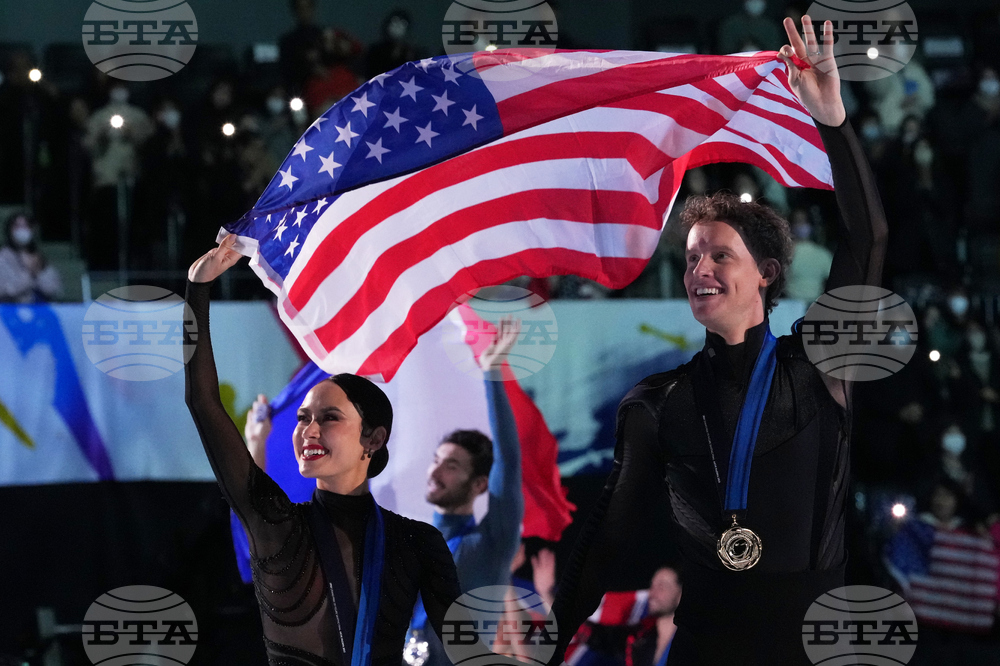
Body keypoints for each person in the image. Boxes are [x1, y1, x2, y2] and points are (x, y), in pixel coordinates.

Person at [550, 16, 887, 665]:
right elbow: (605, 541)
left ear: (767, 273)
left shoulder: (822, 363)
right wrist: (549, 642)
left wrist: (833, 120)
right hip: (705, 649)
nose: (699, 268)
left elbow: (868, 238)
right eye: (692, 256)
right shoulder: (656, 402)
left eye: (720, 256)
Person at [185, 234, 464, 666]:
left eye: (329, 417)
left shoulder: (418, 542)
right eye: (302, 418)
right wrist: (197, 289)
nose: (309, 430)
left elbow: (468, 653)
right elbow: (203, 401)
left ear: (373, 439)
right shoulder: (273, 520)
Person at [409, 319, 525, 666]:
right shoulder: (413, 544)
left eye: (452, 466)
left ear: (479, 485)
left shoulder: (491, 543)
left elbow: (510, 463)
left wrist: (491, 374)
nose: (435, 471)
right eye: (436, 460)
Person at [0, 213, 62, 303]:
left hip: (39, 311)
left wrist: (37, 273)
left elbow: (53, 289)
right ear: (9, 230)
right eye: (18, 226)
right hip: (10, 311)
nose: (22, 230)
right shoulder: (2, 257)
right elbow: (5, 290)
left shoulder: (38, 256)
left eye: (26, 226)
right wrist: (29, 275)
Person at [626, 567, 682, 666]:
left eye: (661, 586)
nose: (652, 592)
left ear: (680, 594)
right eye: (652, 585)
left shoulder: (692, 642)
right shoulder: (640, 640)